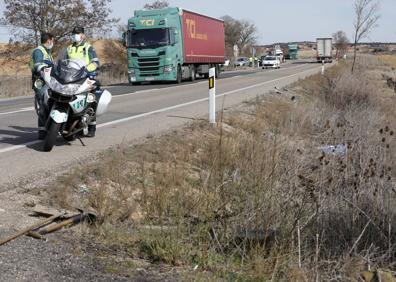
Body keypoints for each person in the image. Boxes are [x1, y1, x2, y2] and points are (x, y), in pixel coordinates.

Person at [66, 26, 100, 137]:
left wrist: (87, 70)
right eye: (74, 33)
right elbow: (64, 62)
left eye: (78, 33)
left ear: (83, 35)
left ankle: (92, 127)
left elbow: (95, 62)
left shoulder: (88, 47)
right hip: (71, 78)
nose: (76, 35)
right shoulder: (69, 48)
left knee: (91, 99)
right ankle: (71, 125)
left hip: (86, 77)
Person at [30, 32, 54, 140]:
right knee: (43, 104)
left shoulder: (47, 52)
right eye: (52, 40)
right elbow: (37, 65)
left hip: (48, 81)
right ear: (49, 40)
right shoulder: (39, 51)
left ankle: (51, 127)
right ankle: (42, 131)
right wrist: (42, 67)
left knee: (51, 103)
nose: (53, 42)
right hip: (40, 82)